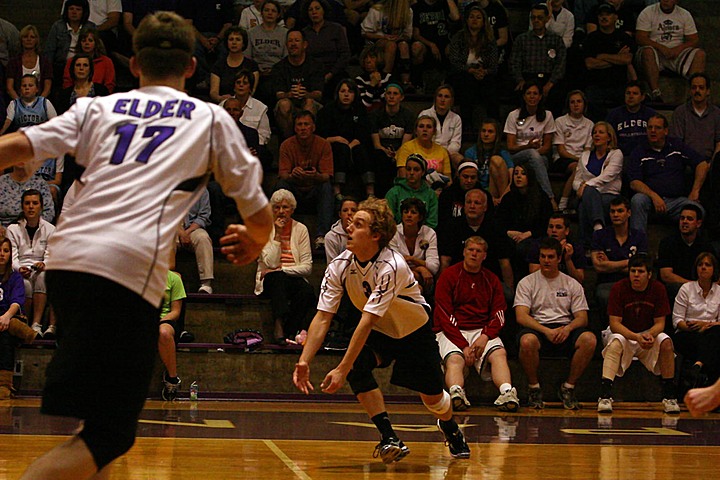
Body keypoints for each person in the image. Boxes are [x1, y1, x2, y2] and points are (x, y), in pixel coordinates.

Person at [5, 12, 273, 479]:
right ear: (191, 67)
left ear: (134, 66)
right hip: (124, 273)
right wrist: (255, 240)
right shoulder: (210, 119)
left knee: (94, 427)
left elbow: (13, 147)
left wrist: (26, 160)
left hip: (65, 267)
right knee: (111, 434)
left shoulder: (98, 109)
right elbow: (260, 213)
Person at [293, 198, 471, 462]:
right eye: (349, 222)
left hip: (413, 332)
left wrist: (341, 368)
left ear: (376, 235)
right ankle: (389, 437)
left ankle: (449, 426)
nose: (349, 228)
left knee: (433, 400)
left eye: (358, 224)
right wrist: (304, 360)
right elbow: (322, 317)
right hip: (379, 332)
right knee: (356, 367)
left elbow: (366, 320)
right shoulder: (339, 266)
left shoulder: (392, 265)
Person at [433, 235, 519, 412]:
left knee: (499, 354)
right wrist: (464, 346)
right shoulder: (449, 276)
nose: (474, 254)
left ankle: (507, 392)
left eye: (478, 251)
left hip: (482, 329)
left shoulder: (491, 279)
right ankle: (456, 392)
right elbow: (443, 313)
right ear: (464, 252)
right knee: (455, 359)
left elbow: (499, 313)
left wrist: (485, 336)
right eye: (470, 250)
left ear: (484, 256)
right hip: (452, 330)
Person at [515, 237, 596, 410]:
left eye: (550, 257)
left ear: (559, 259)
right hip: (538, 327)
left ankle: (568, 387)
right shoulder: (527, 282)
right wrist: (545, 331)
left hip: (565, 328)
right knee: (526, 341)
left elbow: (582, 317)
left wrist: (567, 329)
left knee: (589, 339)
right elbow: (521, 316)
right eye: (543, 256)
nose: (546, 260)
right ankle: (534, 388)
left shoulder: (571, 283)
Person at [597, 254, 680, 414]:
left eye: (640, 271)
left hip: (647, 334)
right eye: (633, 271)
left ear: (649, 274)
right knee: (616, 342)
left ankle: (670, 397)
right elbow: (615, 324)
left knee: (666, 342)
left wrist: (649, 335)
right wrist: (636, 337)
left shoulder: (658, 289)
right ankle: (605, 395)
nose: (636, 275)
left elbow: (660, 324)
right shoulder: (619, 288)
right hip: (624, 333)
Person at [626, 114, 708, 234]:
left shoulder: (676, 146)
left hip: (676, 201)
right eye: (650, 128)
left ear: (665, 131)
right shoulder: (639, 151)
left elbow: (702, 164)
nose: (653, 131)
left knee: (697, 210)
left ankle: (692, 248)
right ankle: (638, 247)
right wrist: (654, 196)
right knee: (637, 200)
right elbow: (634, 183)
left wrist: (695, 191)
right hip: (650, 201)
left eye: (657, 128)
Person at [256, 189, 315, 345]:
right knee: (277, 278)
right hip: (270, 279)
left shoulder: (301, 229)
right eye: (276, 207)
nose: (281, 211)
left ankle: (291, 329)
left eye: (285, 207)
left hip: (292, 277)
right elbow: (270, 263)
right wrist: (277, 234)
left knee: (307, 291)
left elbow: (307, 267)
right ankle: (279, 324)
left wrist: (282, 270)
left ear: (292, 210)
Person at [439, 188, 514, 299]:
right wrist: (442, 286)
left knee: (507, 295)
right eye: (469, 202)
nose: (472, 206)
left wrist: (510, 289)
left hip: (488, 279)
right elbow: (445, 261)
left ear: (485, 207)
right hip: (459, 279)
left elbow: (505, 263)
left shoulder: (496, 228)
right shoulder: (452, 226)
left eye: (477, 203)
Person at [275, 110, 334, 248]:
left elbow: (326, 175)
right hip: (294, 190)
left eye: (306, 124)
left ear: (313, 127)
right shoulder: (286, 145)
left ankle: (322, 235)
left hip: (314, 190)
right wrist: (292, 175)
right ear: (295, 128)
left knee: (326, 186)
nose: (302, 128)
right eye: (299, 125)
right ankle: (282, 230)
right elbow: (283, 174)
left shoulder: (323, 144)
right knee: (281, 186)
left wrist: (315, 176)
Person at [591, 195, 648, 328]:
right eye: (612, 211)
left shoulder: (639, 236)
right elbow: (599, 267)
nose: (615, 214)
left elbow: (641, 267)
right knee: (604, 295)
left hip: (633, 282)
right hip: (607, 283)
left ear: (629, 213)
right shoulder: (600, 236)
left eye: (620, 211)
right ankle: (608, 333)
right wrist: (630, 262)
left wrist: (609, 264)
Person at [6, 189, 56, 339]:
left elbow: (50, 253)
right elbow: (13, 256)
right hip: (20, 269)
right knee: (24, 284)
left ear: (41, 206)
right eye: (27, 203)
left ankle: (37, 324)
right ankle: (25, 323)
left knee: (43, 277)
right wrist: (18, 268)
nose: (31, 207)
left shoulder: (50, 229)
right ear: (22, 206)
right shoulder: (13, 229)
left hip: (40, 268)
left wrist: (44, 263)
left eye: (35, 203)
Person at [635, 0, 705, 102]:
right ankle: (655, 93)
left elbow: (694, 39)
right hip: (655, 52)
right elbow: (640, 38)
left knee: (700, 54)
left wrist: (678, 49)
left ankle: (693, 93)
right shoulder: (648, 12)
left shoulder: (684, 14)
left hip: (676, 54)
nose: (666, 1)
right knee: (647, 52)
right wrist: (661, 47)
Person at [316, 79, 374, 198]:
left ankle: (370, 191)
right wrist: (335, 138)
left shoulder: (360, 109)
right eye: (343, 91)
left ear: (355, 94)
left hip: (354, 145)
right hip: (334, 145)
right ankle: (337, 190)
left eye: (350, 91)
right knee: (341, 149)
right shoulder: (328, 110)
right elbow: (321, 136)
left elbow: (363, 133)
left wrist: (351, 145)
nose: (346, 94)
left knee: (361, 149)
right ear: (337, 93)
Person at [503, 81, 558, 209]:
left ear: (540, 97)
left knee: (539, 161)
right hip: (517, 155)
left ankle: (535, 203)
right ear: (524, 96)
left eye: (535, 94)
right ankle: (550, 198)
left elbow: (547, 146)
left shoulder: (548, 115)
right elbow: (510, 147)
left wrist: (534, 154)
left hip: (539, 155)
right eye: (529, 93)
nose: (532, 97)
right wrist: (528, 147)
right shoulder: (514, 115)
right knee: (534, 156)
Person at [672, 252, 720, 389]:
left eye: (707, 265)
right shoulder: (686, 289)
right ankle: (712, 396)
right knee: (715, 347)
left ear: (714, 270)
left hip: (711, 333)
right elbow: (677, 321)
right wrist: (696, 327)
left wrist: (705, 325)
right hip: (687, 333)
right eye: (700, 265)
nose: (703, 267)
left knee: (715, 336)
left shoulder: (719, 292)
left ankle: (697, 366)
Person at [497, 164, 553, 278]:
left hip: (534, 236)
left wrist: (528, 234)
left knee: (524, 248)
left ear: (530, 176)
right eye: (516, 173)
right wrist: (509, 232)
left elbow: (546, 223)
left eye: (523, 174)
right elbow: (499, 222)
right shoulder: (508, 198)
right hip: (511, 236)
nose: (518, 177)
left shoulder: (542, 198)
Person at [447, 4, 499, 127]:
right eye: (471, 17)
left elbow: (494, 65)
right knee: (466, 84)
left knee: (491, 86)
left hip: (483, 74)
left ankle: (495, 124)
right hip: (463, 74)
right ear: (466, 20)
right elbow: (454, 61)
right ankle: (466, 125)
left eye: (478, 17)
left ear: (483, 21)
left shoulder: (490, 40)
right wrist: (470, 70)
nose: (474, 20)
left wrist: (484, 72)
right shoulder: (458, 37)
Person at [573, 121, 624, 246]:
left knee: (584, 206)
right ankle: (598, 229)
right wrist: (582, 186)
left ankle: (586, 245)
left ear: (609, 137)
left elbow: (607, 176)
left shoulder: (616, 154)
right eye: (594, 132)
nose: (596, 135)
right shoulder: (585, 155)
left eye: (601, 132)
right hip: (588, 195)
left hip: (608, 194)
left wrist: (586, 186)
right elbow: (576, 180)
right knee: (587, 198)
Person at [583, 3, 637, 116]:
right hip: (596, 85)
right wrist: (617, 58)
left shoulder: (624, 37)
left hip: (619, 85)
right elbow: (590, 64)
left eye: (608, 14)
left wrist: (602, 56)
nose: (604, 17)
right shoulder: (591, 39)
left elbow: (627, 59)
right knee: (590, 100)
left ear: (615, 17)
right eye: (601, 15)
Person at [509, 3, 566, 110]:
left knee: (558, 94)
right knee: (518, 93)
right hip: (528, 78)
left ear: (547, 19)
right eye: (533, 17)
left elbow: (560, 65)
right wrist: (520, 80)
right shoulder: (521, 39)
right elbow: (514, 63)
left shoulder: (556, 40)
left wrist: (550, 84)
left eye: (539, 18)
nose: (536, 20)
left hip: (549, 79)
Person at [656, 203, 716, 301]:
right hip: (677, 289)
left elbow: (715, 274)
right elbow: (666, 275)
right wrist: (692, 286)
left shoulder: (706, 246)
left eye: (689, 219)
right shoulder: (667, 243)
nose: (684, 222)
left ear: (698, 223)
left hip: (701, 290)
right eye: (682, 218)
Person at [271, 29, 324, 138]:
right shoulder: (279, 67)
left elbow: (318, 94)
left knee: (309, 103)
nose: (293, 44)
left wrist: (305, 94)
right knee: (283, 104)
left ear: (304, 44)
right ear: (286, 45)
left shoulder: (316, 65)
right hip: (289, 105)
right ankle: (290, 142)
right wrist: (290, 94)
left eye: (297, 41)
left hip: (310, 104)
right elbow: (278, 95)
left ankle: (307, 141)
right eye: (290, 41)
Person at [368, 83, 415, 197]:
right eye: (389, 93)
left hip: (401, 151)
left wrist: (397, 153)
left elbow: (406, 144)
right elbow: (376, 144)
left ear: (401, 97)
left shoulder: (408, 115)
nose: (391, 96)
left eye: (395, 94)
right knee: (380, 158)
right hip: (381, 151)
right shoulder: (375, 114)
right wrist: (384, 150)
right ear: (385, 96)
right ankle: (381, 197)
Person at [0, 237, 33, 399]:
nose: (1, 254)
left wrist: (6, 317)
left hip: (7, 317)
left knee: (5, 337)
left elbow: (16, 301)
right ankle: (20, 329)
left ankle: (4, 384)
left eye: (5, 251)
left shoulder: (15, 277)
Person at [552, 90, 593, 212]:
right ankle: (563, 203)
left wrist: (582, 160)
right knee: (577, 168)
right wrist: (580, 160)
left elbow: (587, 150)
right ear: (568, 105)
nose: (576, 105)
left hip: (582, 160)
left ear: (584, 104)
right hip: (562, 159)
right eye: (572, 102)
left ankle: (579, 206)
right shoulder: (560, 121)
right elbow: (561, 151)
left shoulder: (590, 124)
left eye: (579, 101)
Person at [388, 197, 439, 294]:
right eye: (406, 212)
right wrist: (420, 268)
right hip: (398, 278)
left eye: (413, 212)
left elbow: (434, 267)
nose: (409, 215)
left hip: (424, 280)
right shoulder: (393, 233)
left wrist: (412, 259)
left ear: (420, 217)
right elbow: (394, 265)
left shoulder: (429, 233)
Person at [361, 0, 414, 90]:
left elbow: (408, 35)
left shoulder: (408, 11)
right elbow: (365, 33)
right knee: (391, 45)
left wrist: (398, 38)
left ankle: (406, 82)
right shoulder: (377, 10)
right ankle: (386, 77)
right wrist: (384, 36)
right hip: (376, 42)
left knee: (404, 46)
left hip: (397, 41)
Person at [44, 0, 95, 92]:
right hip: (61, 66)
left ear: (84, 12)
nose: (74, 12)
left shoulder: (90, 27)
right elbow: (49, 51)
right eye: (71, 9)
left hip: (83, 64)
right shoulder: (58, 26)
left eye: (78, 9)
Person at [302, 0, 351, 96]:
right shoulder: (304, 32)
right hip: (312, 73)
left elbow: (345, 54)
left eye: (317, 8)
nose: (314, 12)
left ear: (323, 10)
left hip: (335, 72)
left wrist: (331, 73)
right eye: (310, 10)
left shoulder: (336, 29)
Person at [670, 73, 720, 163]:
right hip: (685, 161)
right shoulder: (680, 112)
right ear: (690, 91)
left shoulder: (716, 113)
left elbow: (719, 143)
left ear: (708, 91)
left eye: (701, 88)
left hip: (710, 161)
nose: (697, 91)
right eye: (694, 88)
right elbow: (676, 142)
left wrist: (712, 164)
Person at [395, 115, 452, 194]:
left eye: (429, 127)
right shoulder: (406, 148)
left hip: (438, 191)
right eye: (421, 126)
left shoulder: (442, 151)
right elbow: (403, 177)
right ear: (415, 131)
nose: (425, 130)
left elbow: (448, 180)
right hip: (412, 191)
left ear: (434, 131)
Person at [245, 0, 288, 104]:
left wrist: (274, 70)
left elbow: (287, 58)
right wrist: (258, 71)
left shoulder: (285, 33)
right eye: (267, 10)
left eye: (273, 11)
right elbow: (247, 57)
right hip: (256, 73)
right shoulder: (251, 33)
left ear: (278, 15)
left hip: (278, 73)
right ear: (261, 13)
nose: (269, 13)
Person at [462, 119, 512, 206]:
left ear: (496, 135)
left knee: (496, 160)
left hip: (497, 189)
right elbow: (470, 179)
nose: (486, 134)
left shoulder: (503, 153)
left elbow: (512, 180)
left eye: (490, 131)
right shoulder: (470, 152)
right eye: (483, 131)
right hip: (478, 190)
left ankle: (503, 204)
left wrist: (503, 198)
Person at [527, 213, 586, 284]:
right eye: (551, 227)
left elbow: (579, 279)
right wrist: (556, 252)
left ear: (566, 231)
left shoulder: (575, 247)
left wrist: (568, 260)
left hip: (567, 286)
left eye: (558, 227)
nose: (554, 230)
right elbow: (533, 273)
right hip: (542, 284)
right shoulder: (538, 245)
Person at [385, 153, 439, 229]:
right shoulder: (394, 192)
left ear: (423, 172)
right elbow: (388, 219)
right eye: (408, 169)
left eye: (416, 170)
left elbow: (432, 222)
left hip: (423, 235)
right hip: (397, 235)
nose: (411, 173)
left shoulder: (430, 194)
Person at [605, 80, 656, 157]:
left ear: (642, 97)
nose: (631, 96)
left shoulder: (650, 114)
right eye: (628, 93)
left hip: (646, 155)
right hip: (620, 155)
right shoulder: (614, 115)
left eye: (635, 93)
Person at [177, 188, 215, 294]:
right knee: (164, 241)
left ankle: (206, 284)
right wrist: (180, 233)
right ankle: (166, 281)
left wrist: (187, 232)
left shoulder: (202, 190)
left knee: (203, 238)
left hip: (192, 228)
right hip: (173, 229)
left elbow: (203, 216)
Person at [209, 26, 259, 103]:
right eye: (231, 39)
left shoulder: (252, 66)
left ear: (243, 43)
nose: (234, 43)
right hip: (224, 104)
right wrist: (220, 98)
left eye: (238, 39)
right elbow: (213, 92)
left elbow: (252, 91)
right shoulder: (218, 65)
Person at [419, 85, 464, 169]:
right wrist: (436, 152)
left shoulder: (456, 118)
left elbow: (456, 142)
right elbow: (421, 138)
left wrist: (444, 153)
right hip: (427, 150)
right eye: (440, 96)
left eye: (446, 97)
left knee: (459, 159)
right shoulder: (425, 114)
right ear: (435, 98)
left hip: (449, 152)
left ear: (451, 100)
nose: (442, 99)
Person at [158, 268, 186, 401]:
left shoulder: (174, 279)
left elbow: (176, 312)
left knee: (163, 333)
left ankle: (172, 379)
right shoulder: (137, 275)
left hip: (165, 319)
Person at [61, 27, 116, 93]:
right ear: (80, 43)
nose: (86, 43)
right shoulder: (71, 61)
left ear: (96, 43)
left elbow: (109, 84)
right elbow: (67, 83)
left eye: (90, 40)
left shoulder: (106, 61)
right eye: (84, 41)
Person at [6, 25, 53, 100]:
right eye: (25, 37)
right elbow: (9, 87)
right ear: (21, 40)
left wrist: (38, 104)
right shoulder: (13, 62)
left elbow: (47, 88)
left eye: (32, 37)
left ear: (36, 40)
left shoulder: (45, 62)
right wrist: (19, 104)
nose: (29, 39)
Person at [355, 44, 392, 111]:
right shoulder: (359, 80)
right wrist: (372, 85)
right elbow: (364, 105)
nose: (368, 61)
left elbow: (389, 103)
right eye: (365, 58)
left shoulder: (388, 78)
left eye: (372, 57)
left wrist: (379, 85)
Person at [324, 196, 358, 262]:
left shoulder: (365, 234)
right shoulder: (331, 237)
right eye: (345, 210)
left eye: (353, 210)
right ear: (340, 214)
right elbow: (333, 266)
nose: (349, 213)